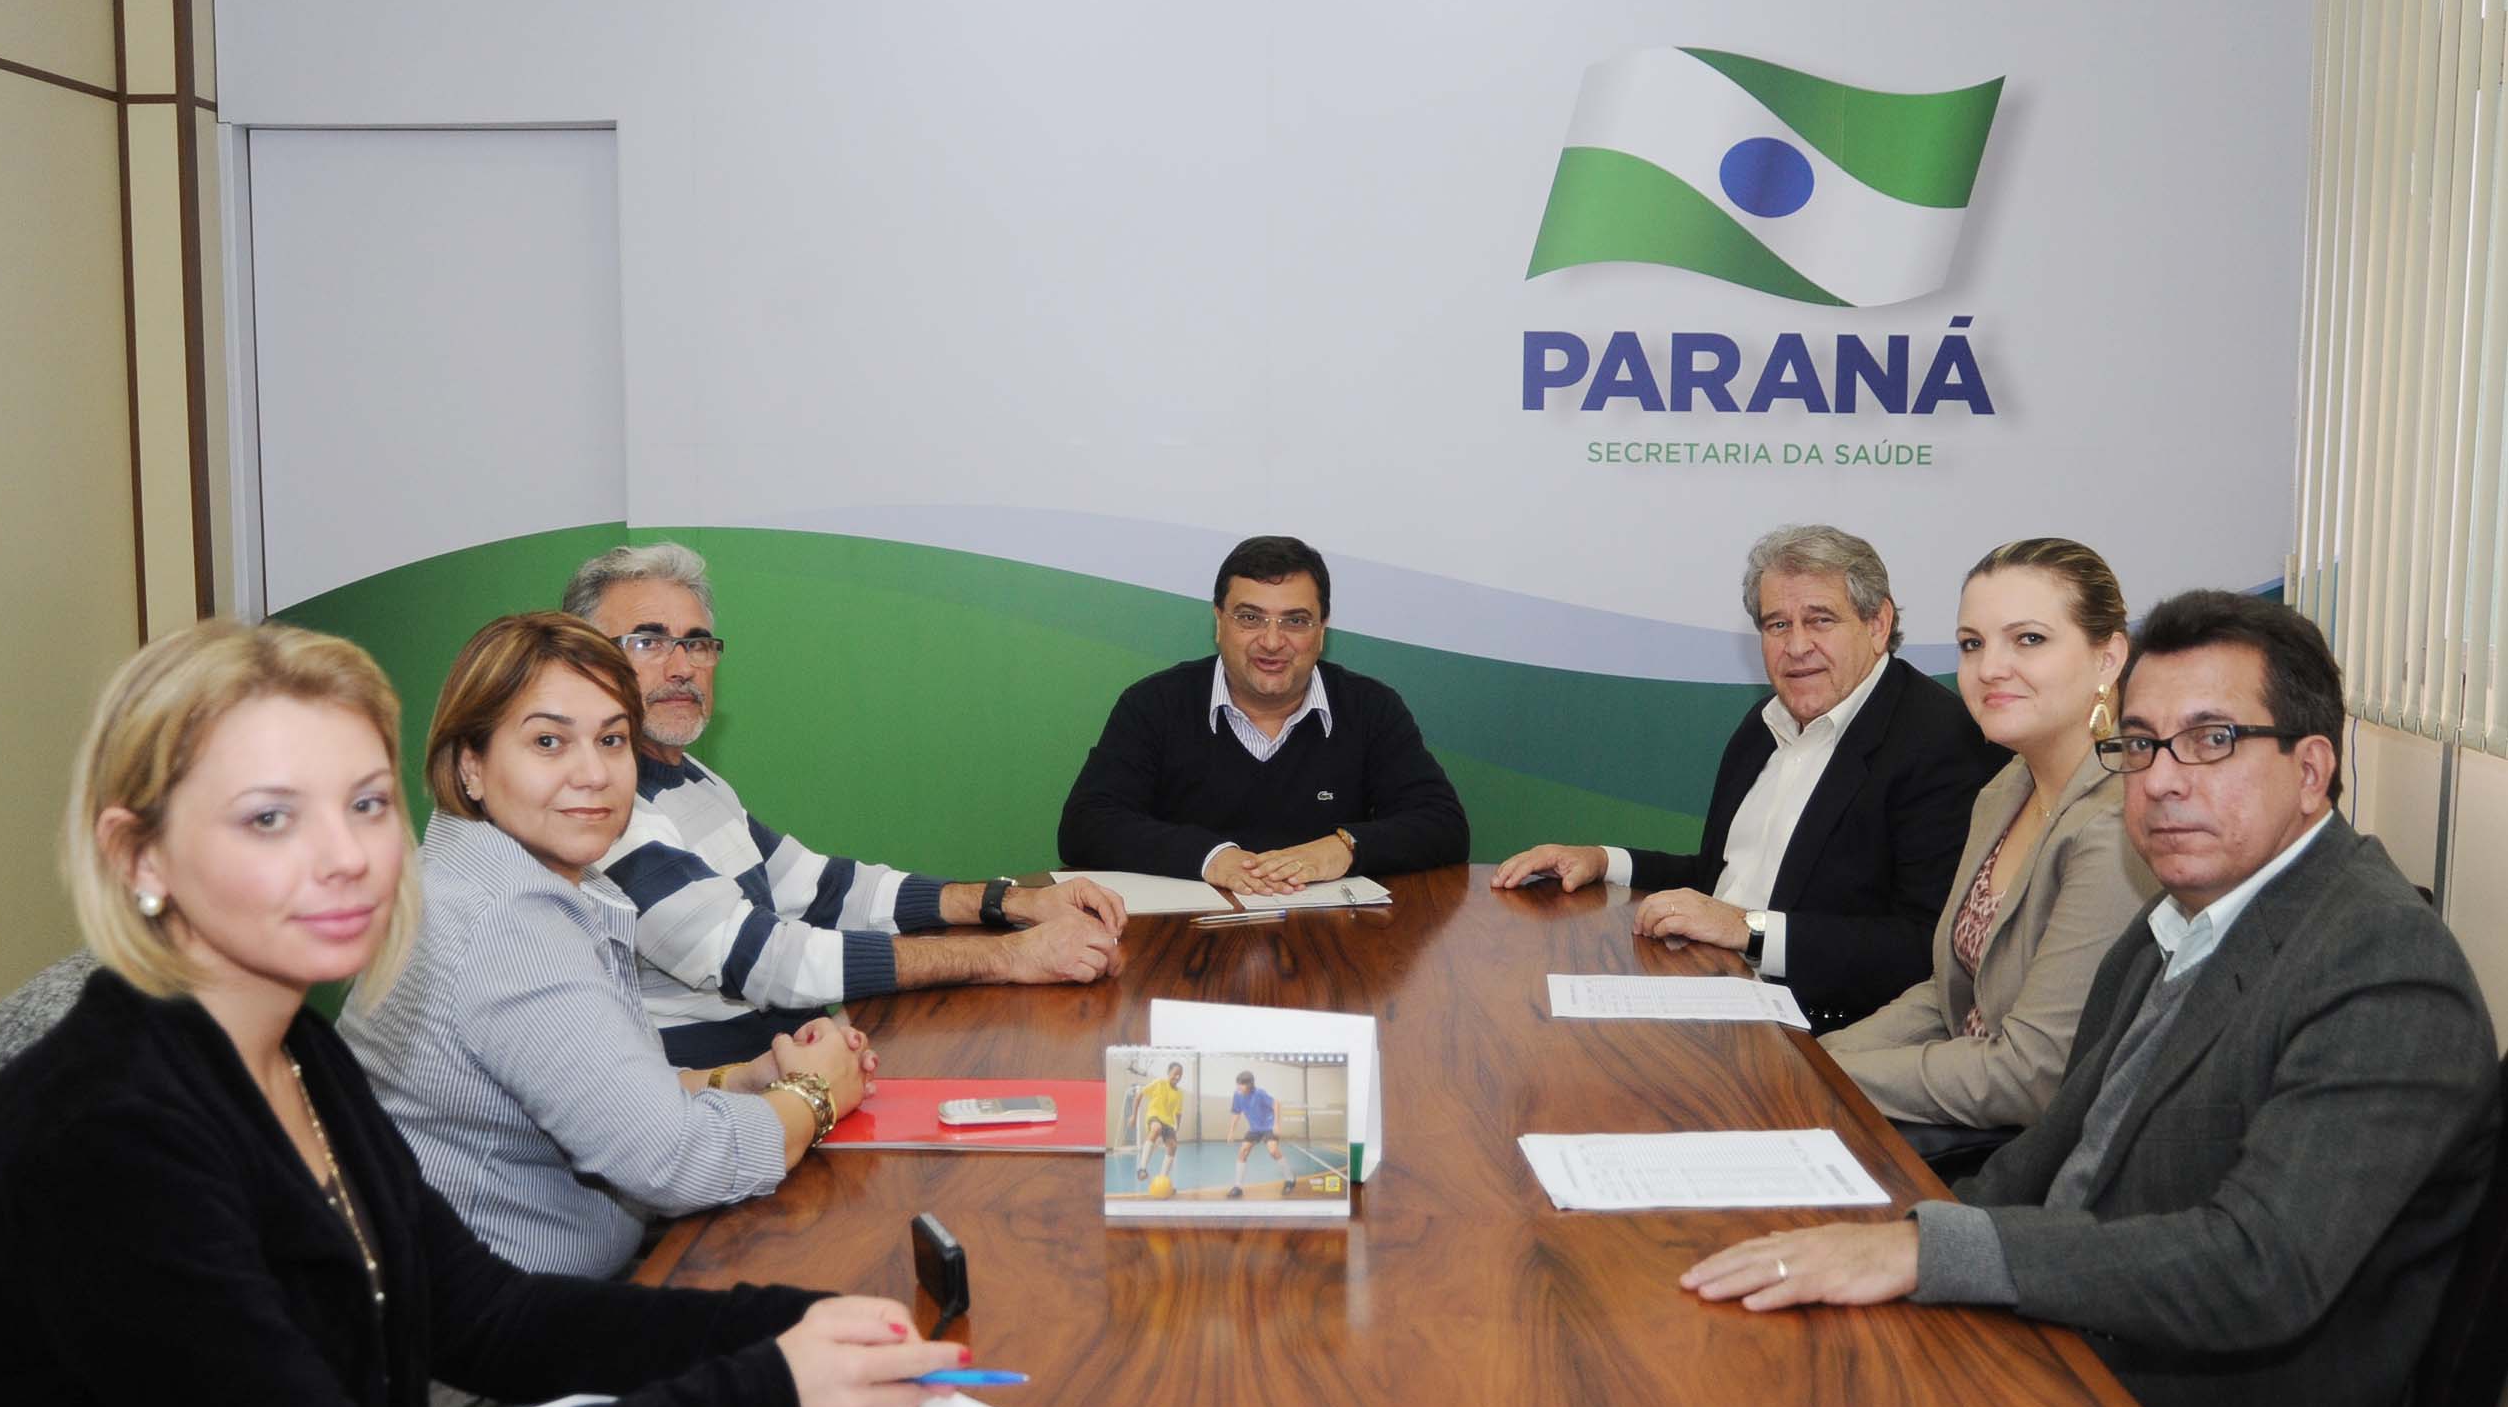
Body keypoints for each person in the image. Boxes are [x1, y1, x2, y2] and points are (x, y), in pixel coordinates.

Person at [0, 621, 965, 1407]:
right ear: (139, 856)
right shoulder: (104, 1127)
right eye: (270, 818)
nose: (346, 856)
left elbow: (490, 1315)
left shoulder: (298, 1052)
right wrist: (762, 1401)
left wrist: (791, 1322)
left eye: (364, 805)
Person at [1682, 590, 2501, 1407]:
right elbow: (2041, 1162)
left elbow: (2257, 1266)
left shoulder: (2380, 963)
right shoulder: (2177, 923)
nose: (2161, 779)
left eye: (2211, 740)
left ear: (2312, 771)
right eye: (2142, 743)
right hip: (2073, 1376)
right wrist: (1884, 1236)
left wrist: (1930, 1251)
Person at [343, 613, 869, 1279]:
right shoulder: (505, 923)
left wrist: (743, 1078)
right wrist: (814, 1095)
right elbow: (675, 1162)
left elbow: (600, 1091)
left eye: (612, 739)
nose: (593, 773)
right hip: (502, 1329)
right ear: (471, 764)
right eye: (548, 741)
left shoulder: (483, 876)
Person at [564, 544, 1126, 1069]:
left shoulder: (693, 778)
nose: (682, 666)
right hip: (719, 1097)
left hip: (801, 1060)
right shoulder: (601, 811)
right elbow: (761, 961)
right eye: (648, 642)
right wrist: (1009, 957)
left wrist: (1012, 902)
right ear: (581, 664)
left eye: (697, 643)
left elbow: (827, 889)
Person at [1493, 524, 2004, 1031]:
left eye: (1820, 620)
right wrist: (1605, 861)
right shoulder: (1763, 724)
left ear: (1877, 623)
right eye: (1777, 625)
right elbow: (1721, 877)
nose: (1796, 646)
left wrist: (1749, 930)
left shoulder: (1940, 742)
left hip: (1828, 1030)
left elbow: (1925, 946)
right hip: (1709, 989)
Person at [1820, 539, 2160, 1145]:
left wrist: (1825, 1077)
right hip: (1959, 1118)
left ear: (2108, 658)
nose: (1990, 668)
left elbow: (2033, 1076)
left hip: (2035, 1162)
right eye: (1972, 644)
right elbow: (1950, 997)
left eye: (2028, 639)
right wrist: (1813, 1057)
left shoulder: (2117, 825)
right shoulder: (2004, 790)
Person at [1058, 534, 1470, 895]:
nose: (1272, 642)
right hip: (1190, 938)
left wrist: (1341, 848)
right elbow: (1086, 824)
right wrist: (1211, 858)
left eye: (1296, 621)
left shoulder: (1370, 707)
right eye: (1250, 618)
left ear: (1322, 629)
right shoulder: (1155, 704)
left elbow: (1443, 824)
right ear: (1219, 621)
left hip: (1332, 941)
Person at [1228, 1069, 1289, 1198]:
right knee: (1243, 1151)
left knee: (1273, 1151)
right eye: (1238, 1084)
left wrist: (1276, 1124)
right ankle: (1238, 1187)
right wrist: (1231, 1131)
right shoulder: (1237, 1095)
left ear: (1249, 1085)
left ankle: (1290, 1179)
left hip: (1268, 1126)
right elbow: (1236, 1113)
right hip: (1254, 1128)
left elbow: (1276, 1104)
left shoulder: (1259, 1093)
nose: (1239, 1087)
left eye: (1242, 1084)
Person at [1128, 1061, 1187, 1183]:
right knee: (1156, 1128)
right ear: (1168, 1072)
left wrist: (1177, 1127)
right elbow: (1139, 1095)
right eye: (1175, 1074)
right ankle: (1142, 1169)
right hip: (1154, 1116)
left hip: (1168, 1122)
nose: (1177, 1077)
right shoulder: (1159, 1083)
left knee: (1173, 1146)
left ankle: (1162, 1179)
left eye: (1180, 1075)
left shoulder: (1179, 1093)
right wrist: (1133, 1116)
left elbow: (1178, 1113)